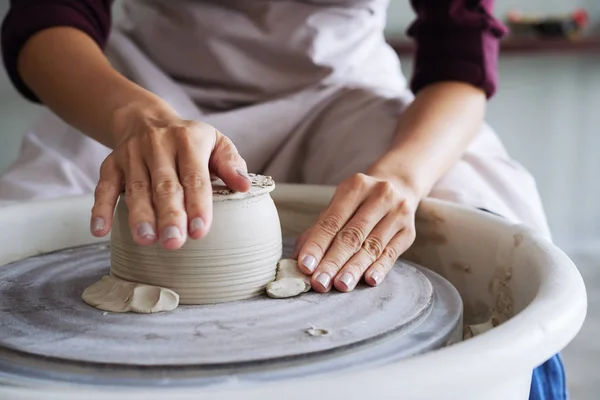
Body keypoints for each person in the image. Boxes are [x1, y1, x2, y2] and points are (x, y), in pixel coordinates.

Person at [1, 1, 565, 398]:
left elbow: (462, 46)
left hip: (341, 91)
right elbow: (44, 17)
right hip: (146, 89)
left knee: (483, 220)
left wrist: (402, 178)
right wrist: (137, 119)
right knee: (23, 215)